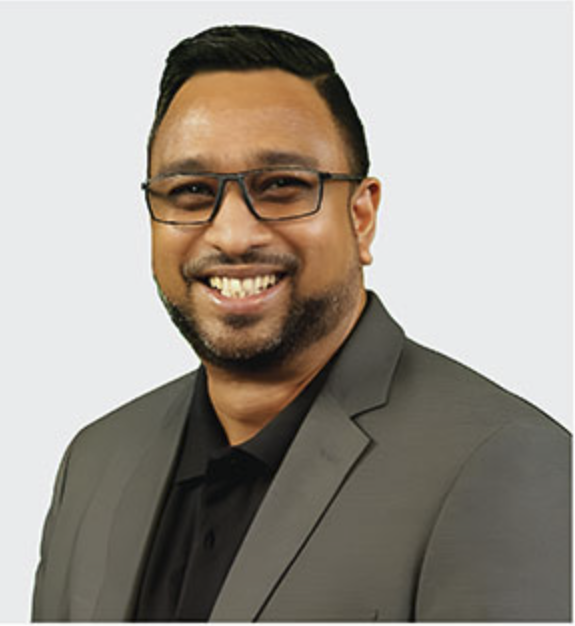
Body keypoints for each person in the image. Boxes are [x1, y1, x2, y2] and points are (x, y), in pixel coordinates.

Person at [32, 25, 570, 622]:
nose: (233, 234)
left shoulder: (504, 464)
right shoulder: (94, 462)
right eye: (191, 191)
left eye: (282, 186)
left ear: (361, 217)